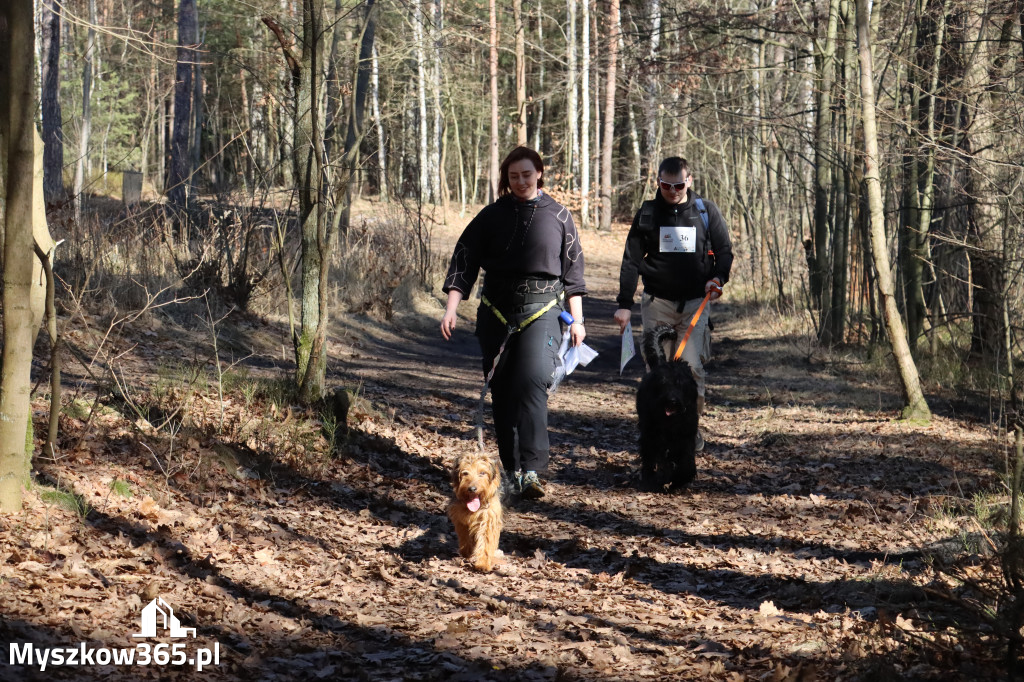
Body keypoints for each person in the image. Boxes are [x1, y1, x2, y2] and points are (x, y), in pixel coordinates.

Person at [441, 146, 586, 499]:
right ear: (506, 179)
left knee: (532, 380)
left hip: (543, 311)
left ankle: (533, 469)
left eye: (526, 174)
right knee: (503, 390)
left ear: (539, 173)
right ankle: (512, 468)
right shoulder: (491, 216)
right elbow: (465, 262)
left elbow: (574, 275)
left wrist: (578, 321)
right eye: (513, 176)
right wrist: (451, 308)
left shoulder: (560, 216)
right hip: (496, 312)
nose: (520, 181)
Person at [613, 157, 733, 450]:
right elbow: (631, 261)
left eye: (679, 184)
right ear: (658, 182)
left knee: (691, 371)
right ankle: (657, 434)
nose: (673, 190)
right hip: (657, 304)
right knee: (660, 375)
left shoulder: (706, 211)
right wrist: (624, 303)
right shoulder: (648, 213)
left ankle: (688, 429)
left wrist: (718, 279)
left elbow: (725, 251)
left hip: (696, 304)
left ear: (689, 181)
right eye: (666, 185)